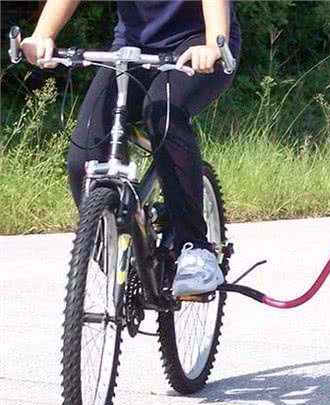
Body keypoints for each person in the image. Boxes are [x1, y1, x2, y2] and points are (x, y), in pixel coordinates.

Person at [20, 0, 241, 296]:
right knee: (83, 159)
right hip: (131, 49)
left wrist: (214, 43)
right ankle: (114, 253)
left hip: (196, 44)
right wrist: (43, 34)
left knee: (162, 114)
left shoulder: (209, 42)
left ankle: (196, 250)